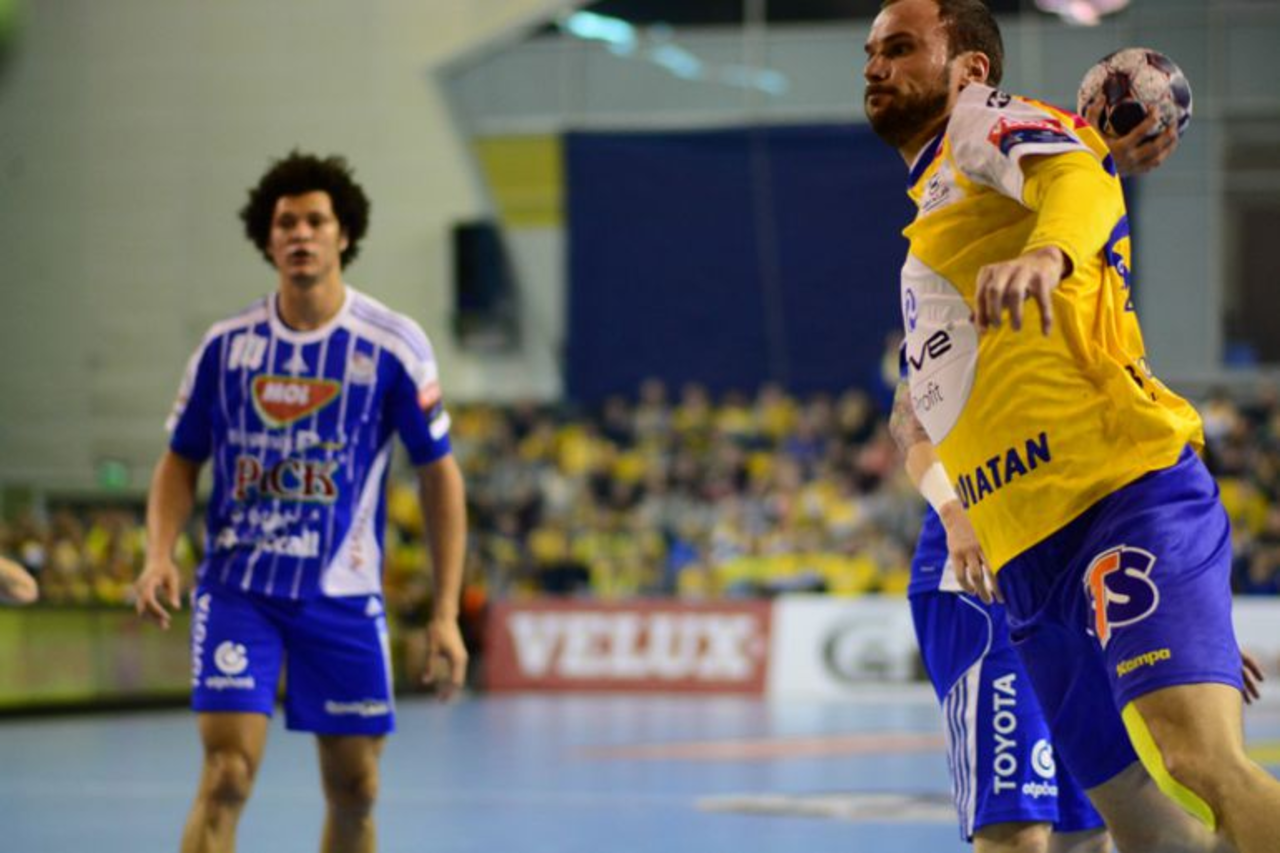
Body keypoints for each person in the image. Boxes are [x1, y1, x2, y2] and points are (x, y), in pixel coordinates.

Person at [864, 2, 1280, 851]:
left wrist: (1048, 253)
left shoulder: (981, 124)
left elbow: (1080, 180)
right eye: (871, 52)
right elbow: (922, 407)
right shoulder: (937, 227)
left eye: (901, 48)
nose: (876, 66)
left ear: (971, 69)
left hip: (1117, 498)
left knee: (1200, 760)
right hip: (1030, 561)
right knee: (1141, 826)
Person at [134, 151, 468, 853]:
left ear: (345, 234)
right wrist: (158, 554)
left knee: (356, 789)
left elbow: (439, 475)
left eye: (316, 220)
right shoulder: (226, 349)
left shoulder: (394, 346)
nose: (301, 234)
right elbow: (180, 458)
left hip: (342, 595)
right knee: (226, 774)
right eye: (286, 223)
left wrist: (444, 613)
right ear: (268, 239)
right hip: (239, 591)